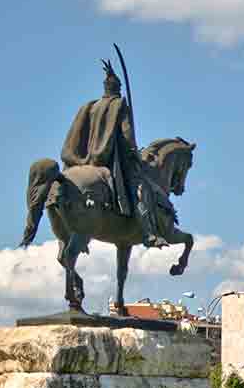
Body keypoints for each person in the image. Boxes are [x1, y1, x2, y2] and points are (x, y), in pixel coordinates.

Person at [59, 59, 168, 247]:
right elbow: (126, 135)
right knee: (141, 189)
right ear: (117, 88)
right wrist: (134, 152)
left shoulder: (91, 106)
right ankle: (150, 233)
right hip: (110, 159)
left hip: (86, 159)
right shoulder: (119, 104)